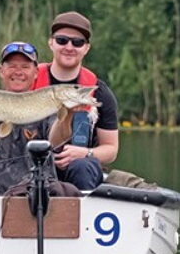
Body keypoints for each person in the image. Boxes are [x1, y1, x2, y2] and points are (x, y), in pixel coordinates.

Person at [38, 11, 119, 190]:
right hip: (34, 167)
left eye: (77, 42)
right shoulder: (30, 80)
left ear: (86, 48)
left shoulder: (100, 92)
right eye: (61, 40)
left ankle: (81, 212)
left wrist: (85, 152)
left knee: (83, 165)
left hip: (77, 169)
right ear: (51, 43)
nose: (69, 47)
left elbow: (111, 149)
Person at [0, 42, 53, 194]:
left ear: (36, 72)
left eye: (24, 67)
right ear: (1, 71)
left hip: (40, 191)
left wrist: (67, 116)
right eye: (12, 66)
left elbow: (57, 141)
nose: (18, 72)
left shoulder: (47, 105)